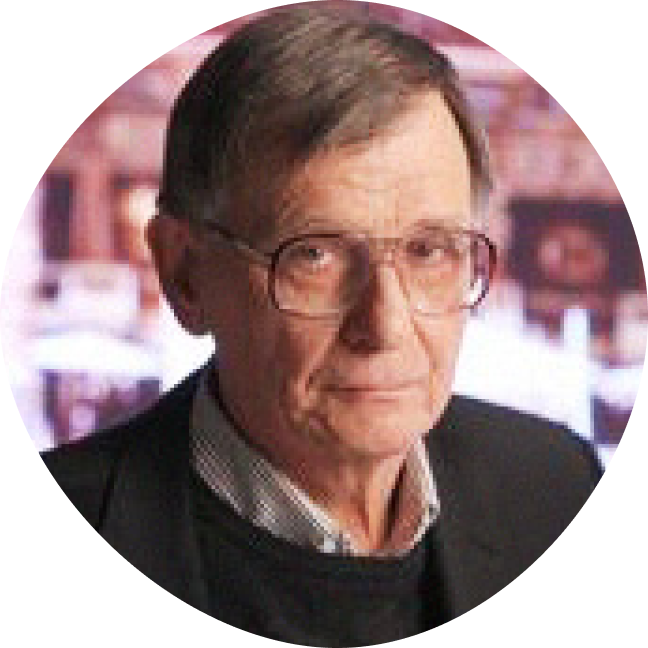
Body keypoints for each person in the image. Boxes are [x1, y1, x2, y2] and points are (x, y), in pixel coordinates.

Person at [42, 4, 602, 643]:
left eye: (429, 251)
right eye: (314, 255)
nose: (386, 326)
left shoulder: (554, 486)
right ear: (186, 275)